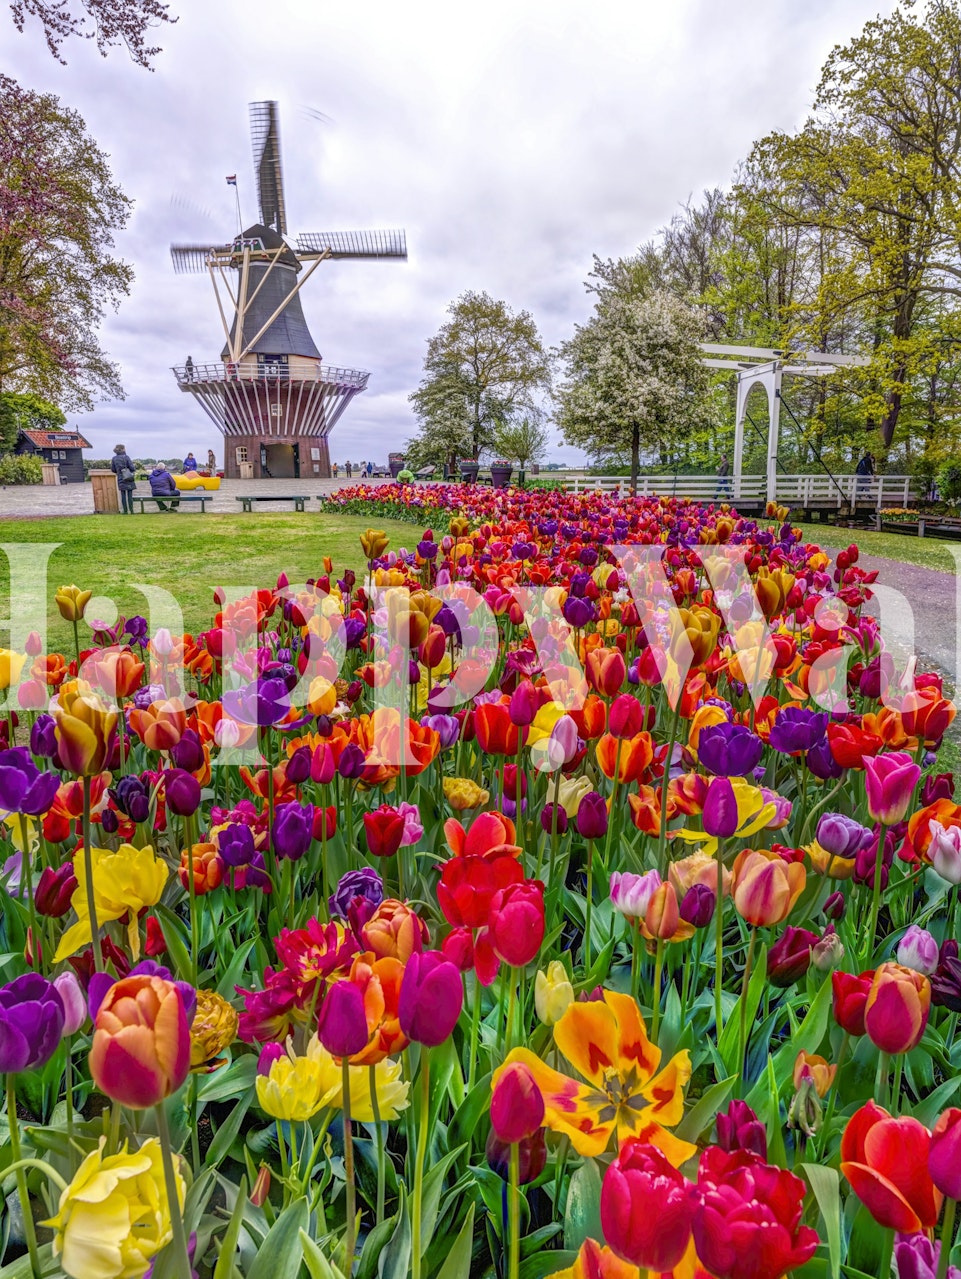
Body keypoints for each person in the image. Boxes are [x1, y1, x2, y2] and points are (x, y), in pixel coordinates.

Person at [110, 443, 137, 515]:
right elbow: (132, 468)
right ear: (122, 449)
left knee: (123, 495)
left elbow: (113, 469)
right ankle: (131, 511)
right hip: (128, 476)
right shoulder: (126, 457)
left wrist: (119, 472)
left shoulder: (114, 458)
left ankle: (125, 511)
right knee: (129, 495)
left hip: (120, 477)